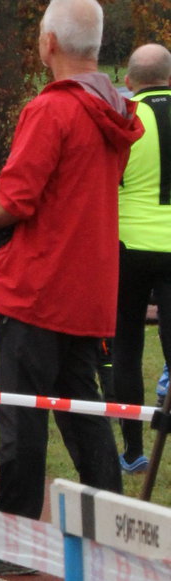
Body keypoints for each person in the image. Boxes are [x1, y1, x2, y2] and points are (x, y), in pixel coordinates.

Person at [0, 0, 141, 574]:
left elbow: (18, 198)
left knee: (21, 416)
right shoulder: (117, 114)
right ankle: (112, 529)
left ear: (48, 43)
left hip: (36, 287)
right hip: (88, 289)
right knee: (82, 413)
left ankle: (15, 538)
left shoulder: (51, 110)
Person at [111, 43, 171, 476]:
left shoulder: (125, 117)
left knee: (127, 346)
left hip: (128, 245)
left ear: (129, 81)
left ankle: (133, 450)